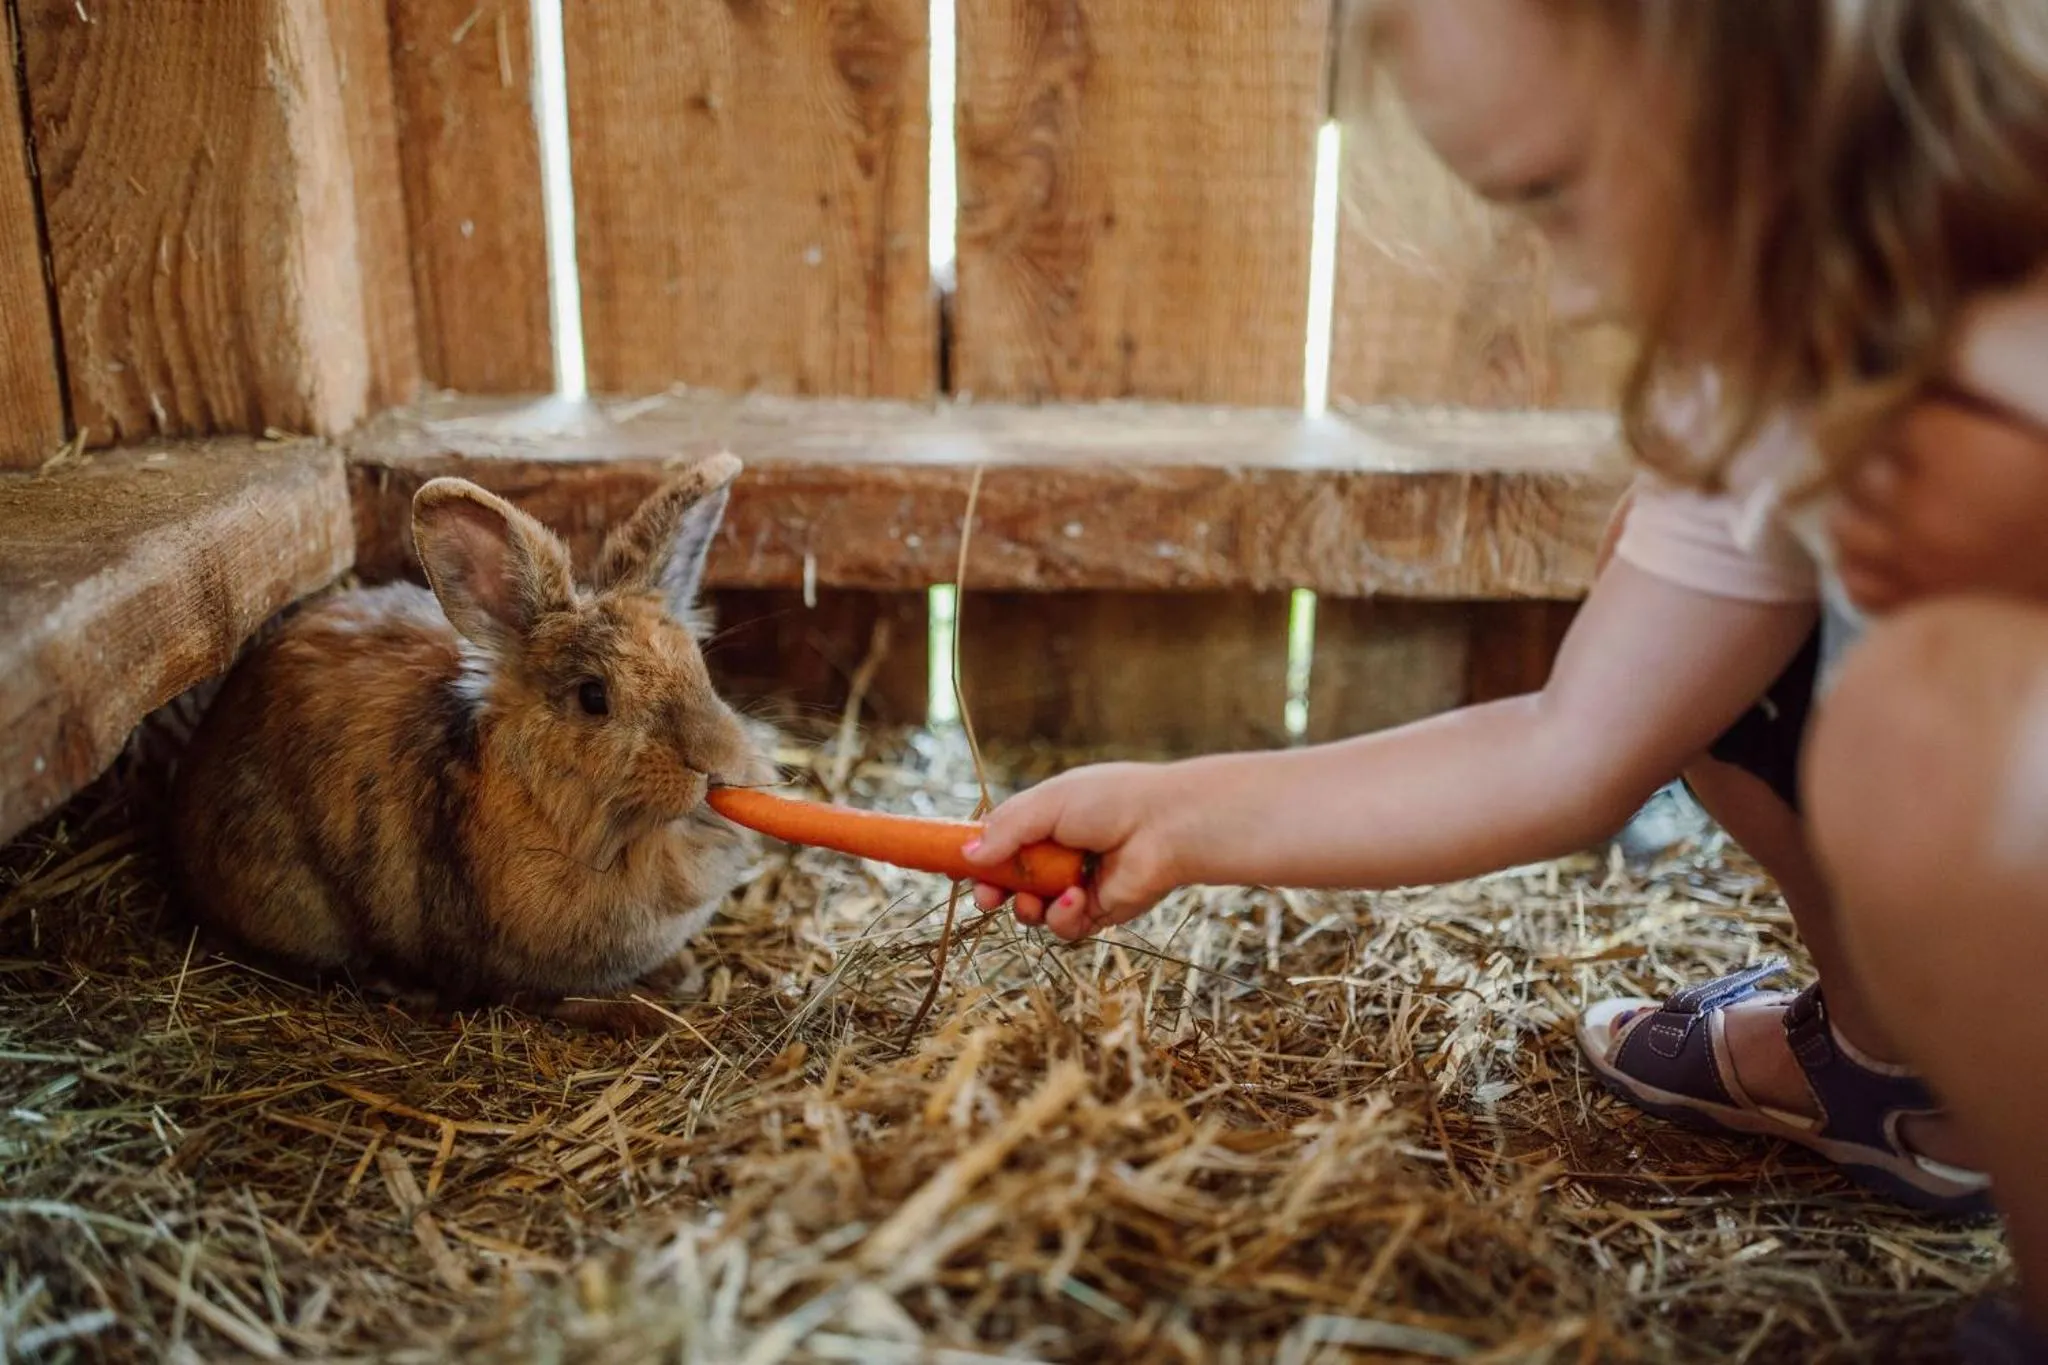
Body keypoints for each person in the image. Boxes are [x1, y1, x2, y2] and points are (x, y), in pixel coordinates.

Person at [961, 0, 2048, 1350]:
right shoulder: (1758, 369)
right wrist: (1176, 817)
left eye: (1559, 195)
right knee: (1719, 658)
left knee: (1927, 713)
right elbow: (1572, 744)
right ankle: (1906, 1082)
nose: (1578, 292)